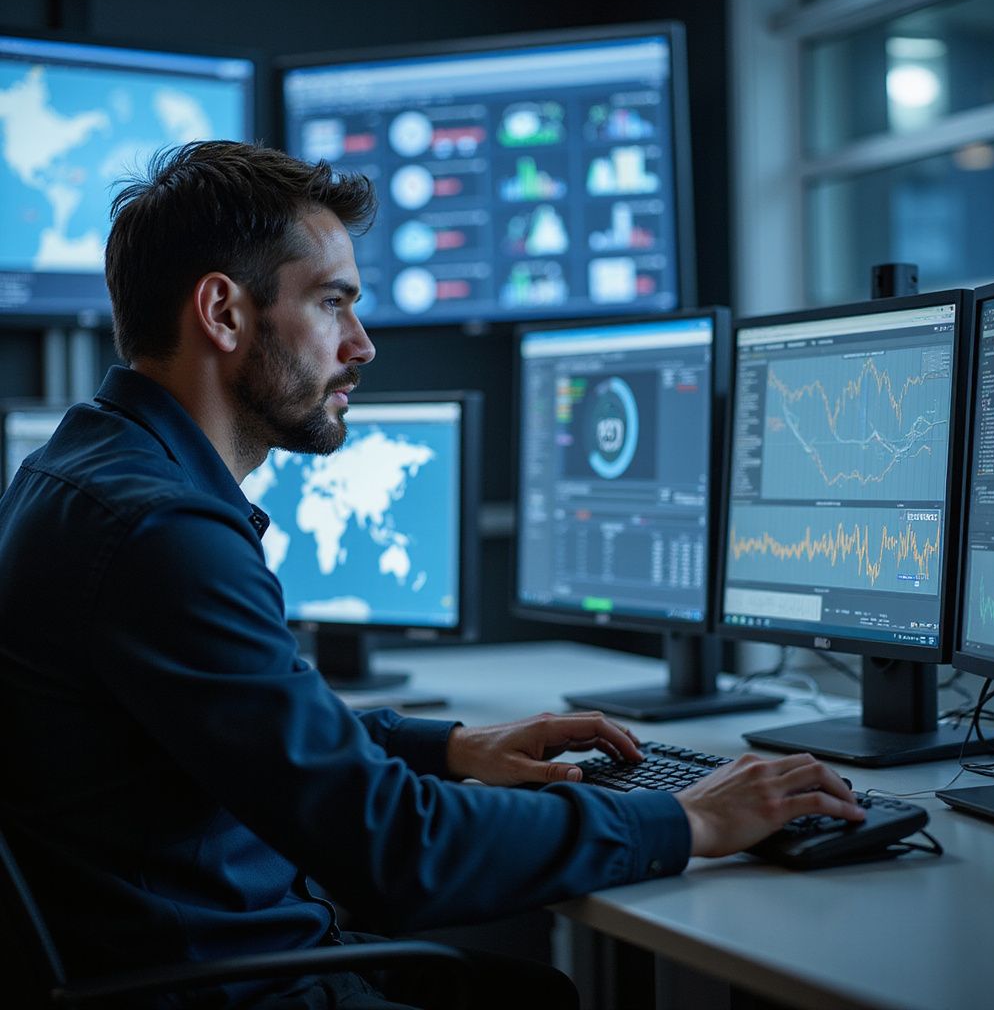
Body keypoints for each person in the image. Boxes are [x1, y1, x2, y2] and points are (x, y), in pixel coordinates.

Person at [0, 141, 863, 1009]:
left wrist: (451, 746)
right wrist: (690, 818)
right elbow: (395, 853)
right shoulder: (164, 530)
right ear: (223, 312)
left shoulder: (81, 475)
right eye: (332, 303)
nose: (363, 344)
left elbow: (264, 736)